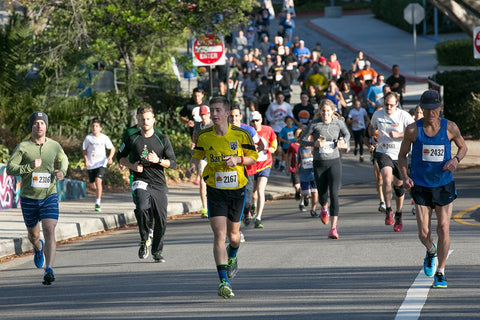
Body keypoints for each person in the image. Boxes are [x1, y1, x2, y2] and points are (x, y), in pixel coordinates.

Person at [398, 90, 467, 288]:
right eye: (426, 109)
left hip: (444, 184)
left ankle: (441, 271)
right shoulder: (413, 130)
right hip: (420, 185)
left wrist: (455, 159)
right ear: (421, 109)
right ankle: (430, 251)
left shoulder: (450, 127)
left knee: (444, 227)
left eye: (434, 109)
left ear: (440, 108)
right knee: (423, 232)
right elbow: (402, 156)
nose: (430, 113)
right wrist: (405, 177)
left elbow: (463, 147)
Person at [190, 96, 258, 299]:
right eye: (212, 110)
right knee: (219, 235)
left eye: (218, 110)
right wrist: (192, 166)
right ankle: (223, 282)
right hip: (215, 189)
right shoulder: (204, 135)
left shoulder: (241, 134)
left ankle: (233, 255)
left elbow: (253, 156)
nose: (215, 114)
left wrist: (238, 159)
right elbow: (197, 155)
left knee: (234, 237)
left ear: (227, 113)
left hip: (237, 189)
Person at [7, 111, 69, 285]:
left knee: (49, 228)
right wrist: (29, 166)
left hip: (49, 194)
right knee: (33, 235)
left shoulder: (54, 146)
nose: (39, 126)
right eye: (36, 123)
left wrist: (62, 171)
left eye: (42, 123)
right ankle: (38, 248)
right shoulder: (23, 147)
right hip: (29, 197)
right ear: (31, 126)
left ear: (46, 126)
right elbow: (10, 168)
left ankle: (49, 270)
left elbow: (63, 159)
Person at [117, 106, 176, 263]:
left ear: (153, 120)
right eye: (142, 119)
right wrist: (132, 166)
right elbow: (120, 157)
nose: (145, 122)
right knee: (142, 207)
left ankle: (157, 251)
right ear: (138, 119)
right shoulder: (132, 139)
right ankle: (144, 239)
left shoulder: (162, 139)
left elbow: (173, 163)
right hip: (140, 180)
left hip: (158, 183)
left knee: (161, 219)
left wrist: (158, 160)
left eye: (148, 119)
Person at [300, 100, 350, 239]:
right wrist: (314, 143)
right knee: (322, 194)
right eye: (323, 111)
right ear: (319, 111)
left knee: (334, 194)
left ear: (332, 111)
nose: (325, 113)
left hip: (334, 162)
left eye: (328, 111)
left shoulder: (338, 122)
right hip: (319, 163)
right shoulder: (314, 124)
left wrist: (343, 142)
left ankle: (333, 228)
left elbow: (347, 135)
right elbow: (301, 140)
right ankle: (323, 207)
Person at [369, 92, 414, 232]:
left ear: (397, 104)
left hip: (400, 154)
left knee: (399, 185)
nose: (388, 107)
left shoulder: (404, 116)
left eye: (391, 105)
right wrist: (372, 137)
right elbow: (371, 127)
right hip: (383, 152)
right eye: (386, 104)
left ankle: (399, 213)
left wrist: (400, 135)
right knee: (387, 179)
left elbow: (414, 132)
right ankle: (389, 209)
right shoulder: (378, 114)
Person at [250, 111, 277, 229]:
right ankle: (253, 205)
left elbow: (274, 142)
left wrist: (272, 148)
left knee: (261, 189)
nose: (255, 123)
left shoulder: (268, 129)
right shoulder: (248, 132)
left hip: (265, 164)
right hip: (252, 165)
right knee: (253, 193)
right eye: (253, 121)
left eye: (257, 120)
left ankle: (258, 217)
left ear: (261, 120)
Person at [82, 118, 115, 212]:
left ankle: (97, 203)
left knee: (98, 181)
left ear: (100, 128)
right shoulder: (88, 138)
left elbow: (112, 148)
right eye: (93, 126)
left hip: (101, 163)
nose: (94, 128)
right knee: (93, 185)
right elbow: (84, 150)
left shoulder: (104, 138)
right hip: (91, 164)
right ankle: (97, 193)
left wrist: (110, 157)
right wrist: (86, 160)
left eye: (96, 126)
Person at [190, 105, 213, 218]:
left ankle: (214, 205)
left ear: (209, 113)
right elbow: (194, 137)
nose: (203, 117)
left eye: (205, 114)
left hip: (214, 157)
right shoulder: (198, 126)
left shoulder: (214, 125)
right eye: (202, 115)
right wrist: (194, 144)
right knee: (203, 182)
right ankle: (205, 208)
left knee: (213, 183)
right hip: (203, 157)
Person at [295, 129, 318, 216]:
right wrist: (297, 167)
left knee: (315, 191)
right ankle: (306, 197)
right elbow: (298, 159)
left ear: (311, 137)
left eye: (308, 136)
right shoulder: (300, 149)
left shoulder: (314, 147)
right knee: (305, 192)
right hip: (304, 173)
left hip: (314, 173)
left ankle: (313, 210)